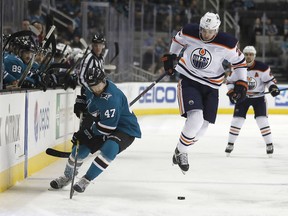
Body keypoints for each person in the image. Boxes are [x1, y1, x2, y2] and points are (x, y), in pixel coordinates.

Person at [162, 12, 248, 174]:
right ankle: (183, 152)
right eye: (204, 30)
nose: (206, 34)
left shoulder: (227, 43)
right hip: (189, 80)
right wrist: (171, 56)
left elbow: (239, 62)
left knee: (203, 127)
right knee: (195, 118)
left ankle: (180, 149)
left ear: (216, 31)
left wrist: (242, 82)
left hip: (212, 86)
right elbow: (177, 40)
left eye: (210, 31)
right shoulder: (189, 31)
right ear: (200, 27)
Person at [50, 59, 142, 193]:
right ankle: (67, 176)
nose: (96, 89)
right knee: (80, 150)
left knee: (110, 149)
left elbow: (107, 129)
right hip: (103, 123)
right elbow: (86, 99)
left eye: (98, 85)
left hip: (125, 129)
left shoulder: (112, 98)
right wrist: (81, 103)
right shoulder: (89, 88)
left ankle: (86, 180)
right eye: (92, 86)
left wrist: (87, 133)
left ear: (104, 80)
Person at [225, 46, 280, 157]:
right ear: (243, 55)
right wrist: (231, 92)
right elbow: (229, 81)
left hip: (258, 98)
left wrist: (272, 87)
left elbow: (269, 81)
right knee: (237, 120)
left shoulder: (263, 68)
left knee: (262, 120)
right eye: (246, 54)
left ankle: (269, 144)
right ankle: (230, 144)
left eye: (251, 54)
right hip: (243, 97)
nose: (248, 56)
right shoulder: (237, 67)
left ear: (254, 55)